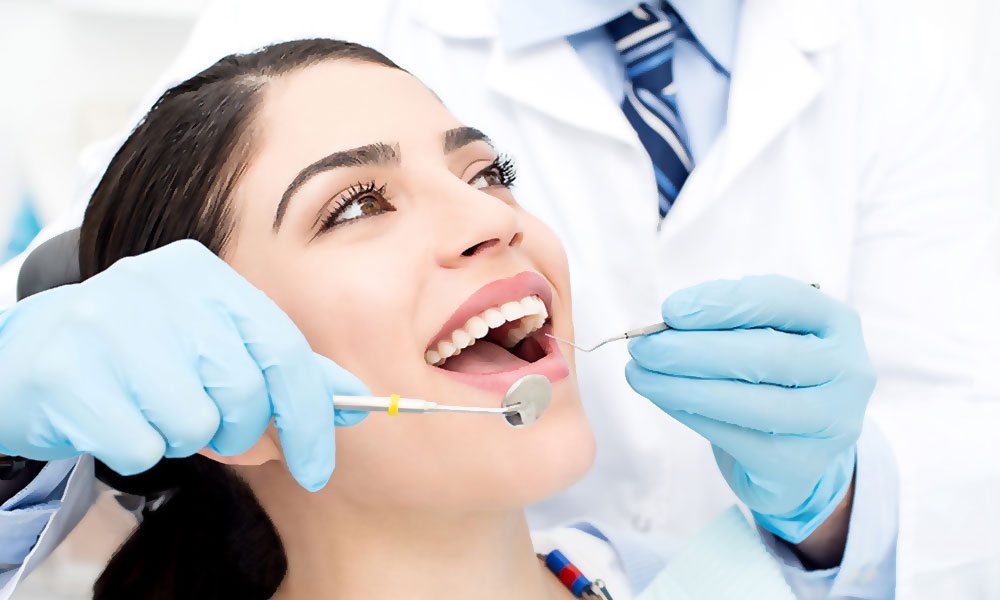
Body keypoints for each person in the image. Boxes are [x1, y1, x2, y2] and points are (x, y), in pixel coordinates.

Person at [1, 0, 998, 597]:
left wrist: (837, 506)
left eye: (490, 172)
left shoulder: (892, 38)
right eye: (355, 204)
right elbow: (105, 273)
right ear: (215, 373)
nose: (497, 221)